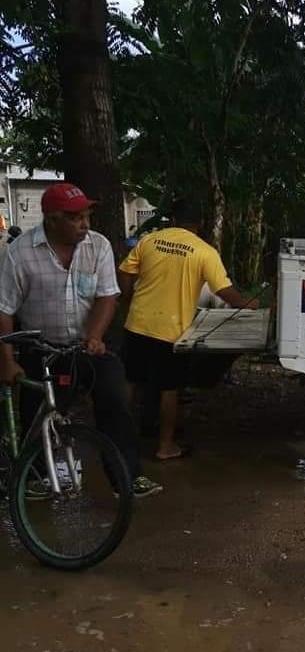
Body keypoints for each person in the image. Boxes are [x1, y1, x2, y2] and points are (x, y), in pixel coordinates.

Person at [0, 182, 162, 498]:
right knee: (37, 414)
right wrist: (6, 361)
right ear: (51, 220)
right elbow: (4, 310)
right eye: (76, 218)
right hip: (41, 349)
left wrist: (95, 336)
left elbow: (107, 297)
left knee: (115, 399)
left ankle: (126, 478)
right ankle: (35, 478)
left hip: (87, 345)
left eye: (86, 215)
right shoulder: (19, 254)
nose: (85, 224)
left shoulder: (98, 246)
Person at [118, 198, 251, 461]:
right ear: (199, 225)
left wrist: (128, 297)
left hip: (137, 322)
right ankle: (165, 447)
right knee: (169, 388)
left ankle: (119, 439)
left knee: (131, 381)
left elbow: (124, 271)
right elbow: (225, 292)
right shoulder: (205, 251)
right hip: (172, 330)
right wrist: (250, 303)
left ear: (173, 220)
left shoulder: (149, 240)